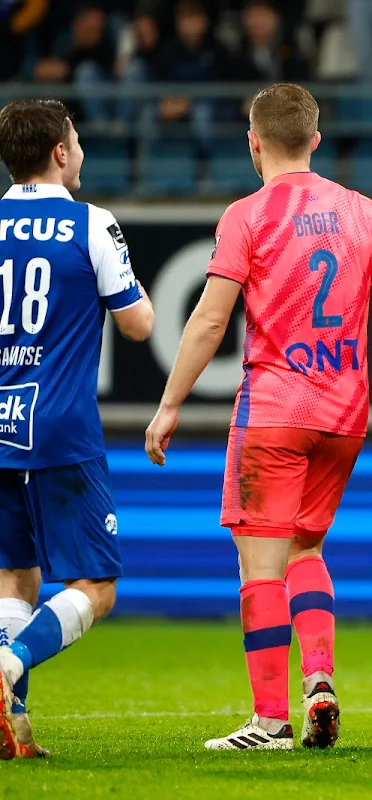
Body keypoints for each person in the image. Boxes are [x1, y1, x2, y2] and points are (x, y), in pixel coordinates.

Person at [143, 83, 372, 752]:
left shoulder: (246, 215)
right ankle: (319, 679)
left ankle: (269, 720)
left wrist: (171, 403)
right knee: (308, 549)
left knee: (259, 569)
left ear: (253, 142)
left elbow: (211, 317)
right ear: (316, 139)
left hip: (273, 410)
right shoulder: (362, 210)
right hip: (344, 413)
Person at [0, 99, 154, 759]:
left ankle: (12, 726)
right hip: (60, 428)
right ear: (61, 151)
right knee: (97, 586)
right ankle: (7, 670)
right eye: (78, 140)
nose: (82, 150)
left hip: (1, 424)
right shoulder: (90, 223)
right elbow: (139, 324)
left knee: (13, 577)